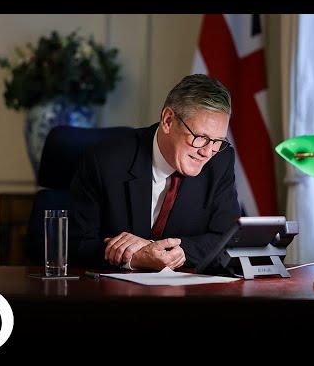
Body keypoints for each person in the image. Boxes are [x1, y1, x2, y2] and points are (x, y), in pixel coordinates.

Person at [69, 74, 240, 270]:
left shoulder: (220, 161)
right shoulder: (105, 160)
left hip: (186, 294)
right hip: (115, 294)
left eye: (218, 141)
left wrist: (174, 252)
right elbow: (76, 244)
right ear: (168, 120)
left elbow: (228, 240)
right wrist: (132, 258)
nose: (208, 152)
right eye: (200, 137)